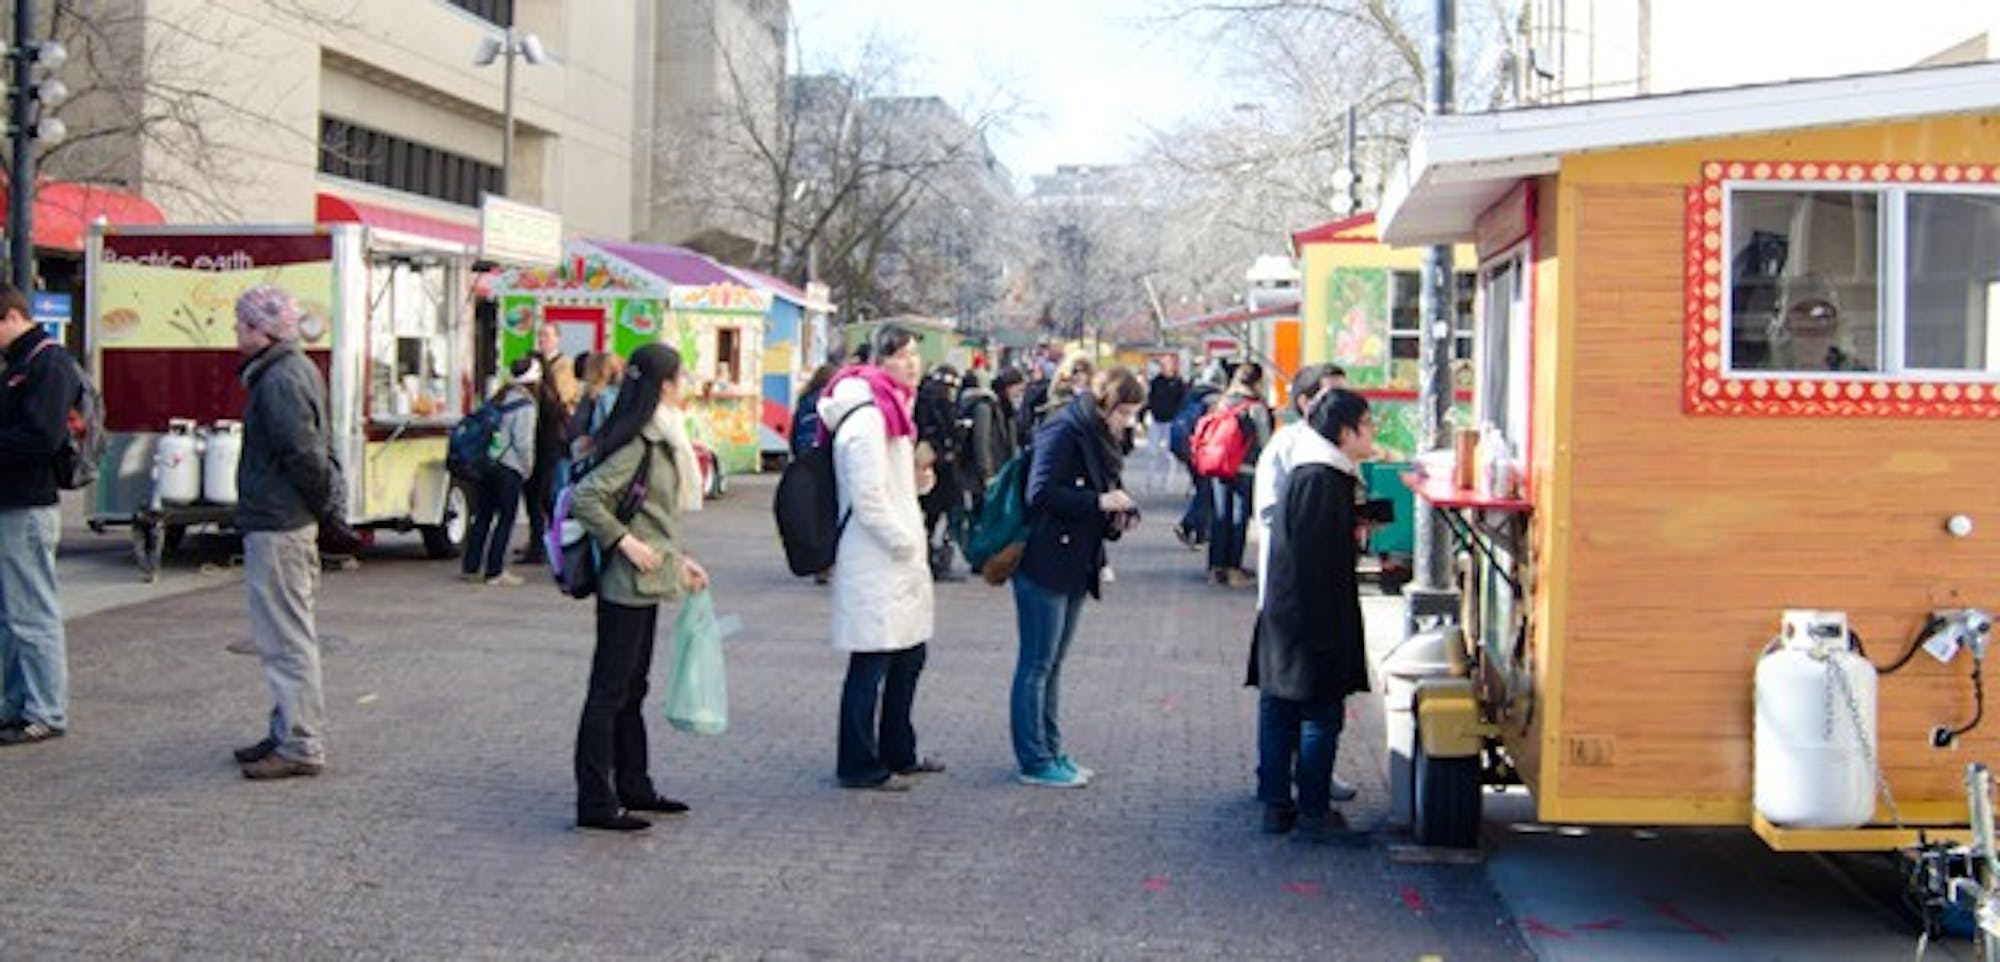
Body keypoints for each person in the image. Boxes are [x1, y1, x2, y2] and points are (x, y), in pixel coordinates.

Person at [568, 343, 711, 832]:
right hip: (624, 585)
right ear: (665, 386)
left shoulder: (662, 437)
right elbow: (587, 499)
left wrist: (681, 562)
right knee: (610, 691)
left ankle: (635, 785)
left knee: (633, 688)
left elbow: (656, 516)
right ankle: (595, 801)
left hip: (647, 582)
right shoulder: (641, 443)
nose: (688, 385)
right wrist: (624, 542)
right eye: (683, 377)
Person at [1248, 389, 1375, 843]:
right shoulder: (1323, 478)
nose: (1374, 431)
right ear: (1345, 432)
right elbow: (1318, 558)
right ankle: (1312, 811)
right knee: (1319, 714)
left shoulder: (1313, 473)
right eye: (1368, 422)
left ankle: (1276, 804)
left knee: (1279, 709)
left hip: (1285, 613)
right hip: (1311, 620)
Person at [819, 325, 943, 791]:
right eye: (901, 356)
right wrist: (903, 541)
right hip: (875, 557)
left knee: (908, 656)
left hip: (896, 557)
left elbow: (891, 486)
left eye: (915, 354)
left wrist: (920, 483)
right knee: (870, 663)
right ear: (879, 362)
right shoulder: (867, 416)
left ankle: (898, 749)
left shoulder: (894, 410)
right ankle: (858, 762)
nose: (912, 363)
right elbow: (868, 497)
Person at [1011, 366, 1146, 788]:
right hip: (1046, 558)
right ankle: (1034, 758)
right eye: (1123, 412)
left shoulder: (1096, 436)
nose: (1127, 422)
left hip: (1074, 560)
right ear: (1105, 404)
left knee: (1052, 663)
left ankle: (1051, 750)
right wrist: (1099, 501)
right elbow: (1041, 492)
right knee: (1037, 663)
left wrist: (1114, 510)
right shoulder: (1064, 429)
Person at [230, 285, 339, 779]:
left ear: (261, 330)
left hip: (280, 524)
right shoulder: (290, 371)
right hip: (284, 520)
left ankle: (298, 741)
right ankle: (287, 729)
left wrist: (321, 505)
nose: (235, 334)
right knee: (285, 633)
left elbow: (304, 455)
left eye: (240, 325)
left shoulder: (278, 380)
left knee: (285, 638)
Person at [0, 283, 80, 746]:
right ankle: (17, 704)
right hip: (14, 500)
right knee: (13, 614)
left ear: (13, 316)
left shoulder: (47, 363)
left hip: (27, 503)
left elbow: (40, 437)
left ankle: (46, 709)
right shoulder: (23, 363)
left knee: (31, 611)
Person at [461, 359, 539, 586]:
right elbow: (523, 442)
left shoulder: (498, 397)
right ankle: (495, 570)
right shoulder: (525, 405)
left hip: (487, 464)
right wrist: (527, 468)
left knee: (483, 517)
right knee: (506, 519)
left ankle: (471, 566)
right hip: (509, 466)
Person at [1209, 362, 1272, 588]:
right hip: (1245, 467)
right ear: (1257, 381)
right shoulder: (1256, 406)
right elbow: (1264, 441)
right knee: (1238, 518)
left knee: (1219, 515)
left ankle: (1216, 567)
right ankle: (1233, 568)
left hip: (1219, 465)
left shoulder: (1223, 402)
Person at [520, 323, 575, 565]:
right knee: (532, 493)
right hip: (532, 438)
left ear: (558, 339)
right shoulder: (533, 362)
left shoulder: (564, 365)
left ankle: (555, 541)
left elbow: (563, 398)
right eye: (540, 334)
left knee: (549, 494)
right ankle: (536, 541)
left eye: (547, 335)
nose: (543, 339)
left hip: (552, 440)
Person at [915, 364, 966, 581]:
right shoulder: (939, 403)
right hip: (939, 466)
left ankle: (931, 557)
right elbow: (946, 431)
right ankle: (934, 559)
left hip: (931, 464)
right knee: (940, 514)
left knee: (931, 516)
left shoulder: (923, 399)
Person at [1170, 365, 1225, 550]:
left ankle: (1200, 532)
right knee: (1205, 491)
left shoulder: (1192, 394)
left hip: (1183, 446)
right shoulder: (1214, 399)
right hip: (1200, 449)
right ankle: (1189, 526)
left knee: (1202, 489)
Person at [958, 369, 1017, 510]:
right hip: (986, 475)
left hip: (997, 471)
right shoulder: (984, 406)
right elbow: (981, 440)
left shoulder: (1000, 406)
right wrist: (987, 473)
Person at [789, 363, 838, 459]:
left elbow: (795, 427)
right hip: (823, 448)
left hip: (803, 447)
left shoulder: (805, 397)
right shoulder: (832, 398)